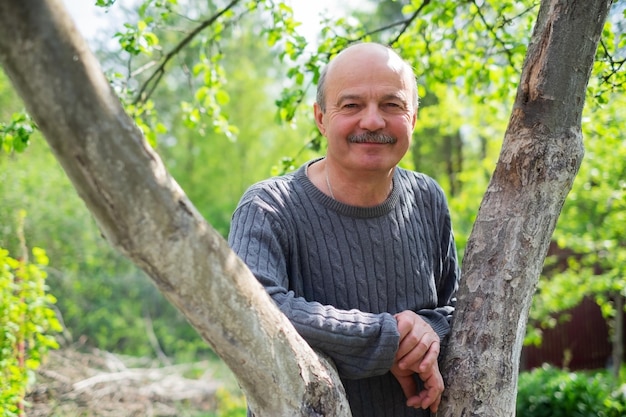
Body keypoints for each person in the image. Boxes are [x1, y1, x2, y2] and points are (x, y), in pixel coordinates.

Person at [228, 42, 460, 417]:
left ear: (413, 118)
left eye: (392, 104)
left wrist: (427, 331)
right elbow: (254, 311)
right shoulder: (269, 206)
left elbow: (457, 308)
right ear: (321, 118)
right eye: (351, 105)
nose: (372, 121)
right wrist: (388, 338)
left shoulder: (427, 198)